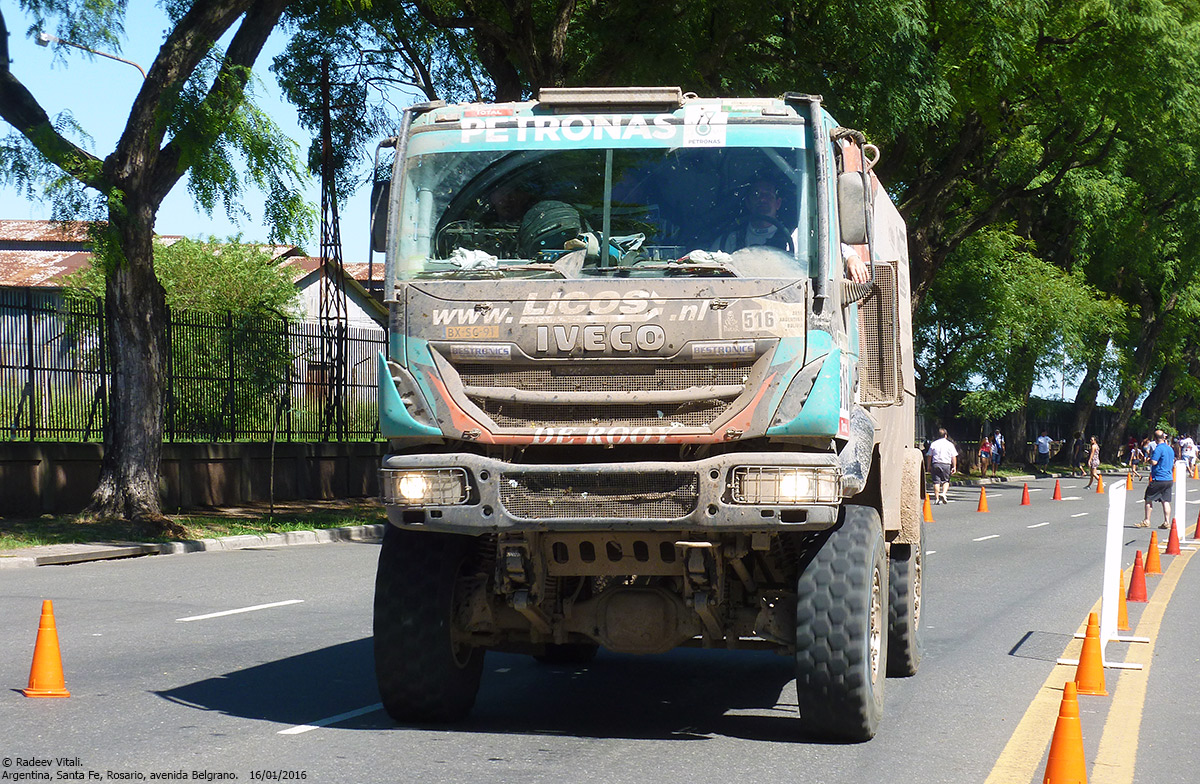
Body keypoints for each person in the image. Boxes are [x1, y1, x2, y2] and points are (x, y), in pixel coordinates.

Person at [1141, 430, 1175, 529]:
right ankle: (1167, 521)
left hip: (1159, 478)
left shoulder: (1158, 449)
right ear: (1164, 438)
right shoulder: (1170, 449)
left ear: (1155, 439)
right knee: (1165, 501)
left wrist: (1149, 460)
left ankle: (1147, 520)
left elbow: (1154, 462)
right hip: (1169, 478)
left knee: (1148, 498)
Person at [927, 428, 958, 504]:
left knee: (936, 482)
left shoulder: (934, 444)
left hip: (936, 463)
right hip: (946, 464)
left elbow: (929, 455)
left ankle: (937, 498)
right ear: (946, 435)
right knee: (946, 481)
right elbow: (953, 456)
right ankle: (943, 493)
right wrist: (954, 466)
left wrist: (928, 465)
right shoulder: (950, 444)